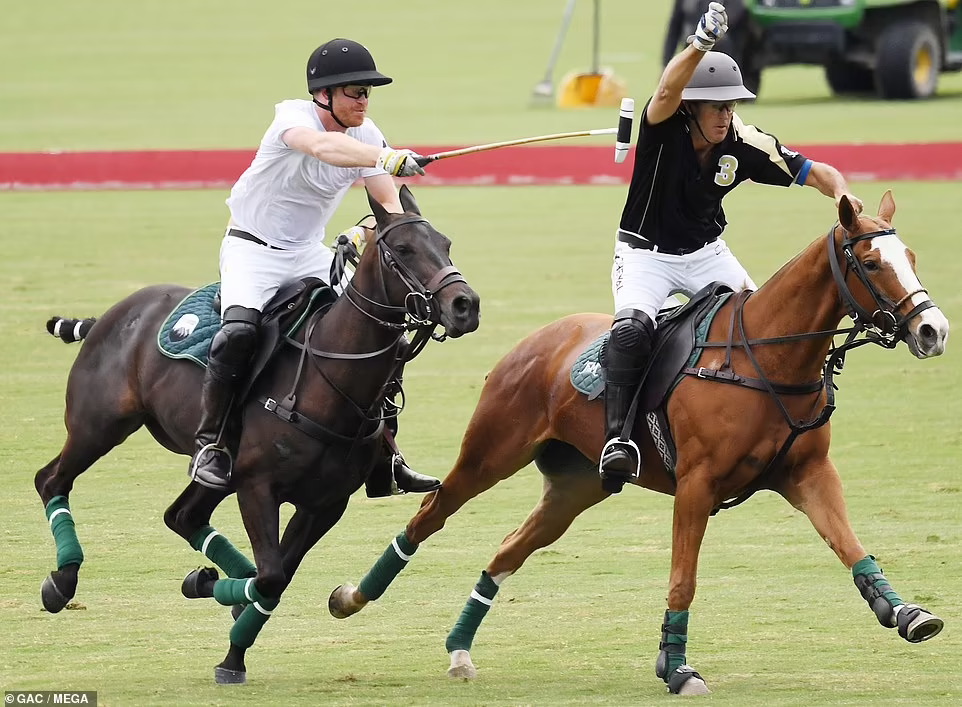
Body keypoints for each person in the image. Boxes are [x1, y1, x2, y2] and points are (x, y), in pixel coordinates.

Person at [599, 2, 864, 491]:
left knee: (769, 327)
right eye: (717, 106)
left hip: (706, 253)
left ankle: (781, 424)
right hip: (644, 254)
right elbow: (664, 88)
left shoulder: (743, 142)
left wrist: (842, 192)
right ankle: (618, 441)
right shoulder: (662, 129)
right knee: (632, 331)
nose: (727, 115)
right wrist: (699, 43)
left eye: (731, 106)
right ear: (691, 108)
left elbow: (813, 171)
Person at [188, 37, 442, 498]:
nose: (363, 100)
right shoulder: (293, 119)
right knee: (239, 334)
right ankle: (211, 444)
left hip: (309, 251)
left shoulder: (368, 133)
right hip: (252, 249)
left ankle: (387, 454)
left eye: (368, 92)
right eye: (354, 91)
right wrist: (384, 155)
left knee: (383, 328)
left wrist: (382, 222)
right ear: (323, 94)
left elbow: (388, 203)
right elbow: (322, 148)